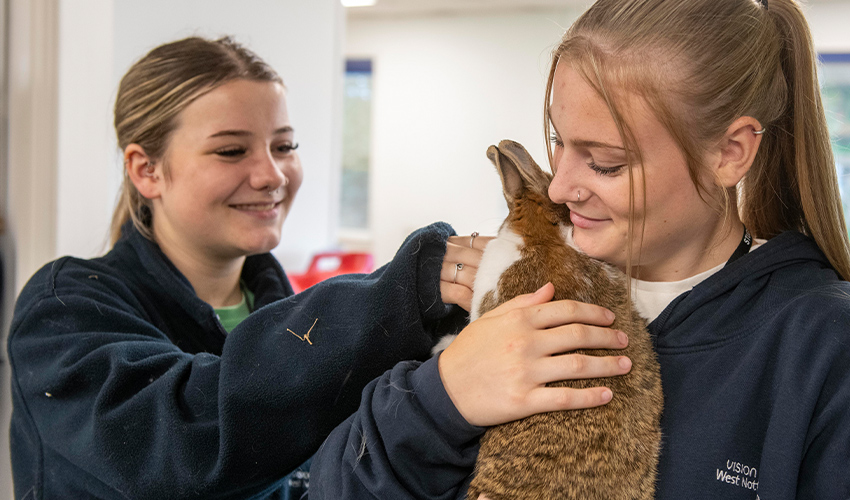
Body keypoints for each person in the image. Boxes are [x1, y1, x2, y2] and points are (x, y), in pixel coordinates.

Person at [7, 36, 628, 499]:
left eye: (284, 146)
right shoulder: (65, 311)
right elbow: (189, 436)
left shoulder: (283, 313)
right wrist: (396, 298)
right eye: (231, 150)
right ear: (147, 170)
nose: (271, 175)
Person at [309, 0, 850, 498]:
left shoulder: (820, 346)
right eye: (558, 142)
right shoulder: (514, 297)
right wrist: (439, 398)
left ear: (730, 152)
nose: (560, 188)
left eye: (606, 163)